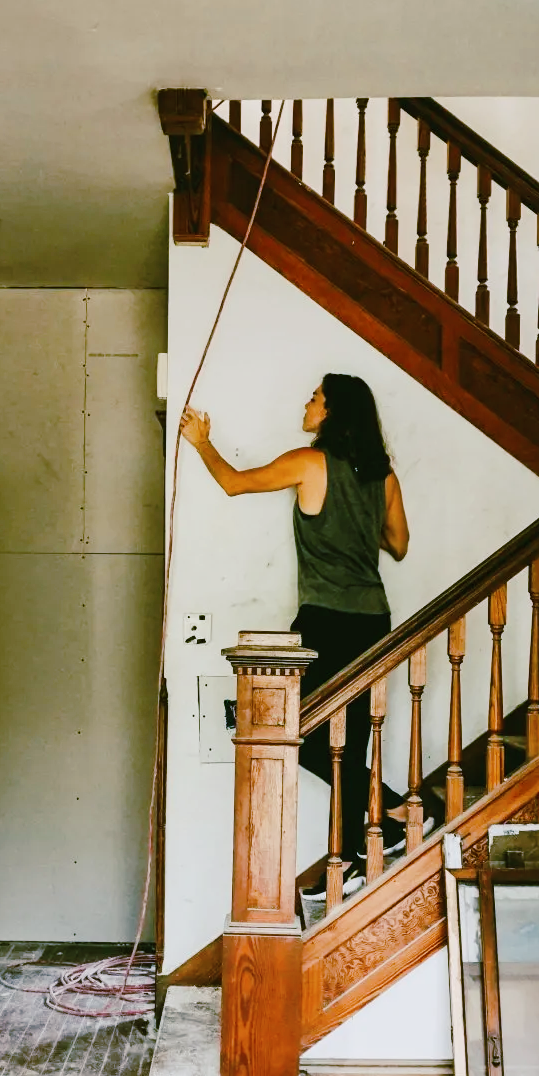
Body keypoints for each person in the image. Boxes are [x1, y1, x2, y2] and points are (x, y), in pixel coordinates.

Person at [180, 373, 411, 886]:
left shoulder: (309, 463)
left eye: (315, 398)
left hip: (326, 619)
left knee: (295, 731)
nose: (307, 404)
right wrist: (358, 523)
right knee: (346, 741)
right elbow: (398, 545)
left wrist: (202, 443)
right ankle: (376, 833)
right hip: (373, 620)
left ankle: (383, 821)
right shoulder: (383, 476)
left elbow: (234, 483)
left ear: (332, 413)